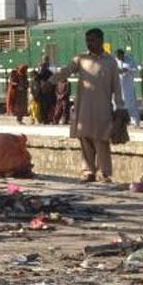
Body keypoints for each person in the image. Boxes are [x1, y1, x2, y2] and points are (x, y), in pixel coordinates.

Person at [53, 29, 125, 183]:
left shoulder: (110, 62)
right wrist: (49, 80)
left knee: (101, 140)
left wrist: (120, 107)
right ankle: (88, 172)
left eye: (92, 40)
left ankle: (105, 173)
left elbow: (117, 88)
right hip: (83, 107)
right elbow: (66, 71)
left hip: (102, 108)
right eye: (87, 41)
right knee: (85, 138)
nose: (89, 44)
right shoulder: (81, 59)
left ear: (100, 41)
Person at [115, 49, 142, 128]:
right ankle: (120, 123)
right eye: (118, 57)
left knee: (131, 104)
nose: (120, 58)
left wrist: (128, 70)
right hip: (118, 86)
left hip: (128, 86)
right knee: (117, 105)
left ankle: (135, 122)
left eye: (121, 56)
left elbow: (136, 70)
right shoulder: (114, 61)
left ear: (123, 55)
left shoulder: (130, 60)